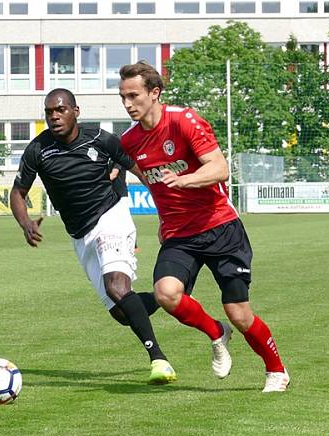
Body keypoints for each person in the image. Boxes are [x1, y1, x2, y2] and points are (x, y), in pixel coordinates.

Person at [118, 61, 289, 392]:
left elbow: (220, 168)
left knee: (239, 313)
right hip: (179, 235)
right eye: (123, 97)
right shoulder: (129, 141)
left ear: (154, 93)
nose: (127, 104)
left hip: (220, 227)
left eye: (134, 96)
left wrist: (186, 181)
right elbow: (143, 175)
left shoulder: (184, 121)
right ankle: (215, 332)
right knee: (166, 293)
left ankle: (276, 370)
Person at [10, 88, 180, 385]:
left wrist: (166, 212)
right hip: (80, 234)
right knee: (121, 312)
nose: (54, 116)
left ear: (76, 111)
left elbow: (140, 169)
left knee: (116, 286)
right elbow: (18, 192)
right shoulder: (38, 149)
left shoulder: (100, 139)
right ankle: (172, 298)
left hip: (111, 216)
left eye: (60, 110)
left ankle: (159, 359)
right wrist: (25, 222)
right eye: (49, 111)